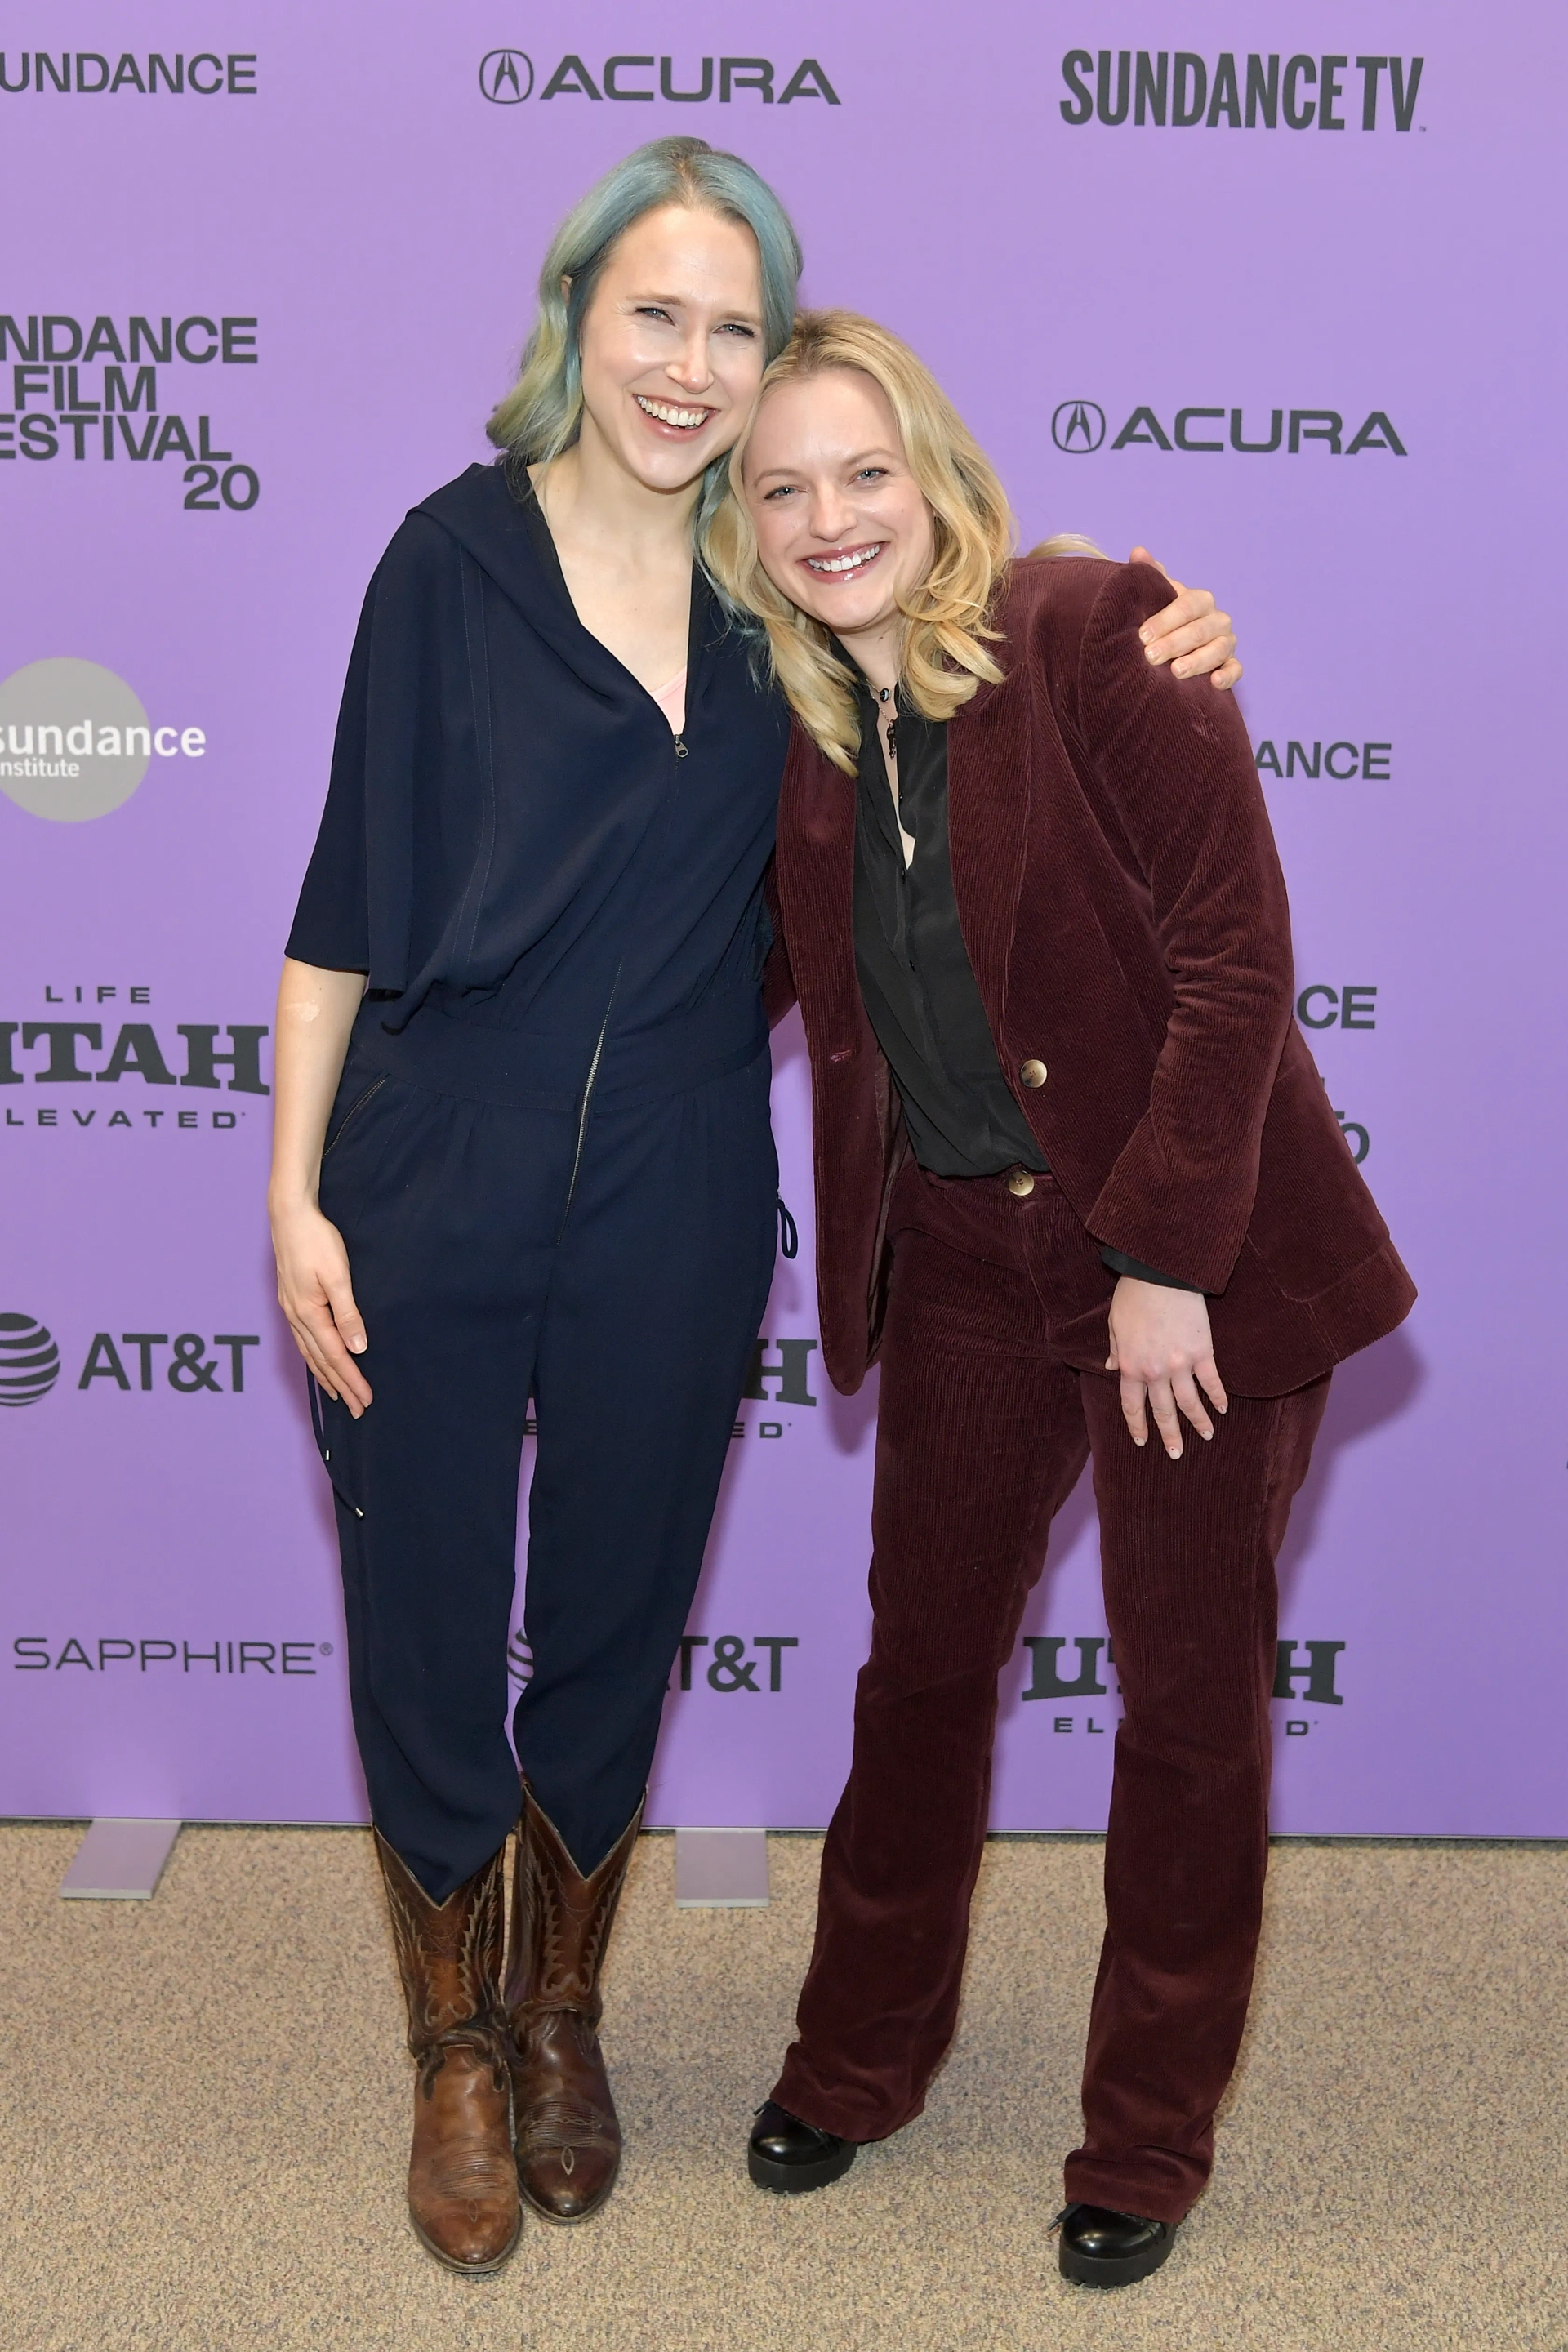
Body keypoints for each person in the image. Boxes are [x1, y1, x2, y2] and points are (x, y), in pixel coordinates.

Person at [268, 140, 1245, 2276]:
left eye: (732, 323)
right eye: (655, 313)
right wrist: (290, 1192)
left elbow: (971, 616)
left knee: (618, 1612)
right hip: (429, 1172)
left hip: (685, 1193)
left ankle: (564, 2011)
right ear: (579, 319)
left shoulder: (775, 589)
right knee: (430, 1618)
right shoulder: (447, 563)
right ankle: (453, 2040)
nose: (690, 364)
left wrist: (1126, 591)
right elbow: (343, 905)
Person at [706, 311, 1415, 2287]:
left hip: (1184, 1270)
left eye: (863, 471)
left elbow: (1234, 959)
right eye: (782, 489)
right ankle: (856, 2061)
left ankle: (1148, 2138)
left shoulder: (1096, 633)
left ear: (931, 471)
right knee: (917, 1673)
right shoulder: (805, 741)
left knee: (1186, 1710)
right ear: (744, 533)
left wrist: (1170, 1259)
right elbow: (747, 987)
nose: (830, 517)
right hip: (955, 1264)